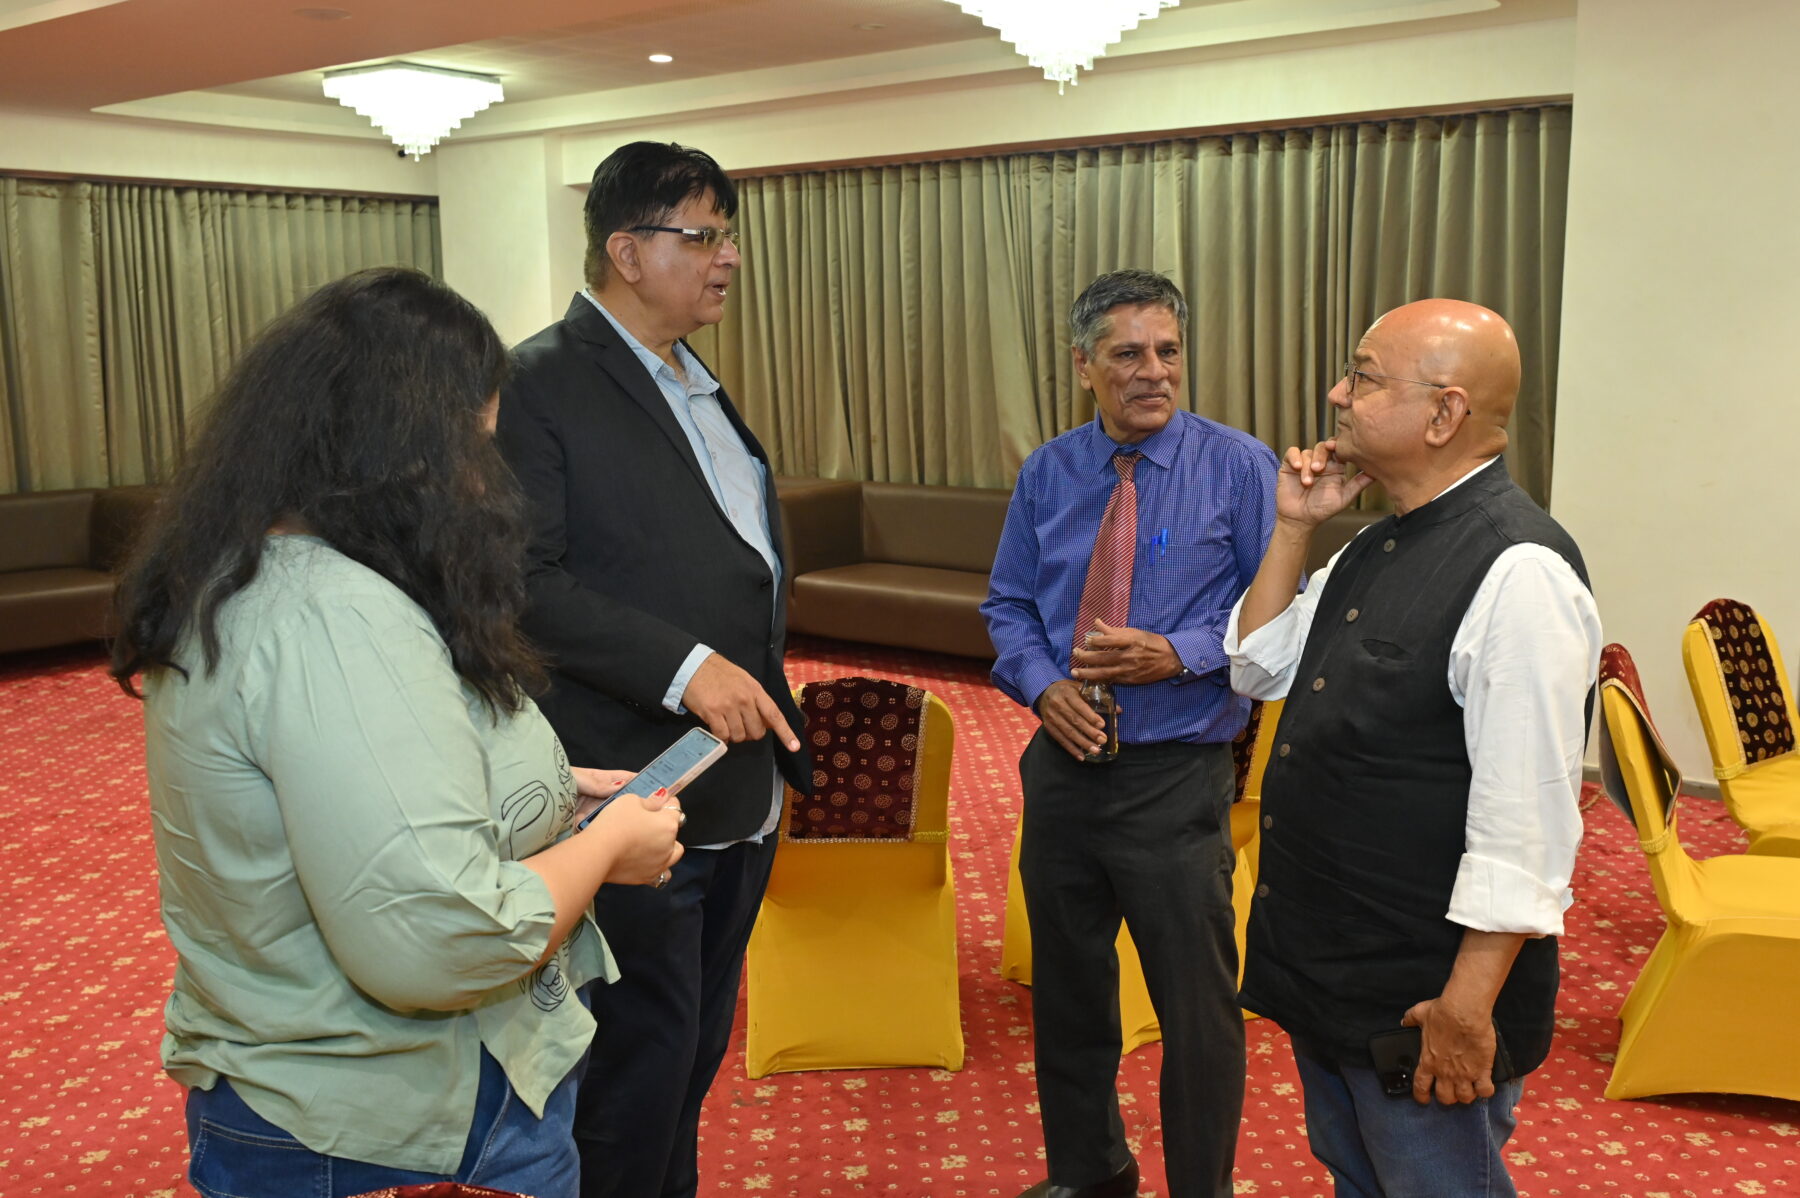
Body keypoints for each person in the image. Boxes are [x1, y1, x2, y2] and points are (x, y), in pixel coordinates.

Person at [109, 266, 686, 1198]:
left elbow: (357, 785)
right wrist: (610, 843)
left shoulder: (263, 573)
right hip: (391, 1128)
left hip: (329, 1099)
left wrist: (548, 791)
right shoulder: (336, 616)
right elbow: (435, 939)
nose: (483, 482)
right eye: (474, 449)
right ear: (401, 452)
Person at [1226, 299, 1603, 1197]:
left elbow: (1526, 825)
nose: (1336, 395)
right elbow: (1255, 662)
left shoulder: (1519, 570)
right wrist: (1294, 527)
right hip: (1336, 968)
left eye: (1362, 377)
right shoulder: (1376, 543)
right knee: (1359, 1179)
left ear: (1444, 414)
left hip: (1422, 997)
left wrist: (1465, 1011)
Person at [495, 140, 808, 1198]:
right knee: (636, 1073)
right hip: (625, 786)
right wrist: (686, 668)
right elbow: (521, 581)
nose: (729, 257)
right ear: (627, 252)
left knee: (691, 1058)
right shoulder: (539, 383)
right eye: (704, 236)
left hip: (737, 784)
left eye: (728, 236)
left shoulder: (694, 381)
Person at [982, 269, 1278, 1198]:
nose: (1154, 372)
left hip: (1176, 776)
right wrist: (1042, 689)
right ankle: (1090, 1173)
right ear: (1084, 365)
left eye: (1168, 351)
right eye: (1128, 354)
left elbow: (1277, 617)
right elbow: (1008, 606)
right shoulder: (1048, 471)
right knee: (1069, 997)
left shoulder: (1239, 468)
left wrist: (1180, 654)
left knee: (1196, 1013)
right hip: (1063, 769)